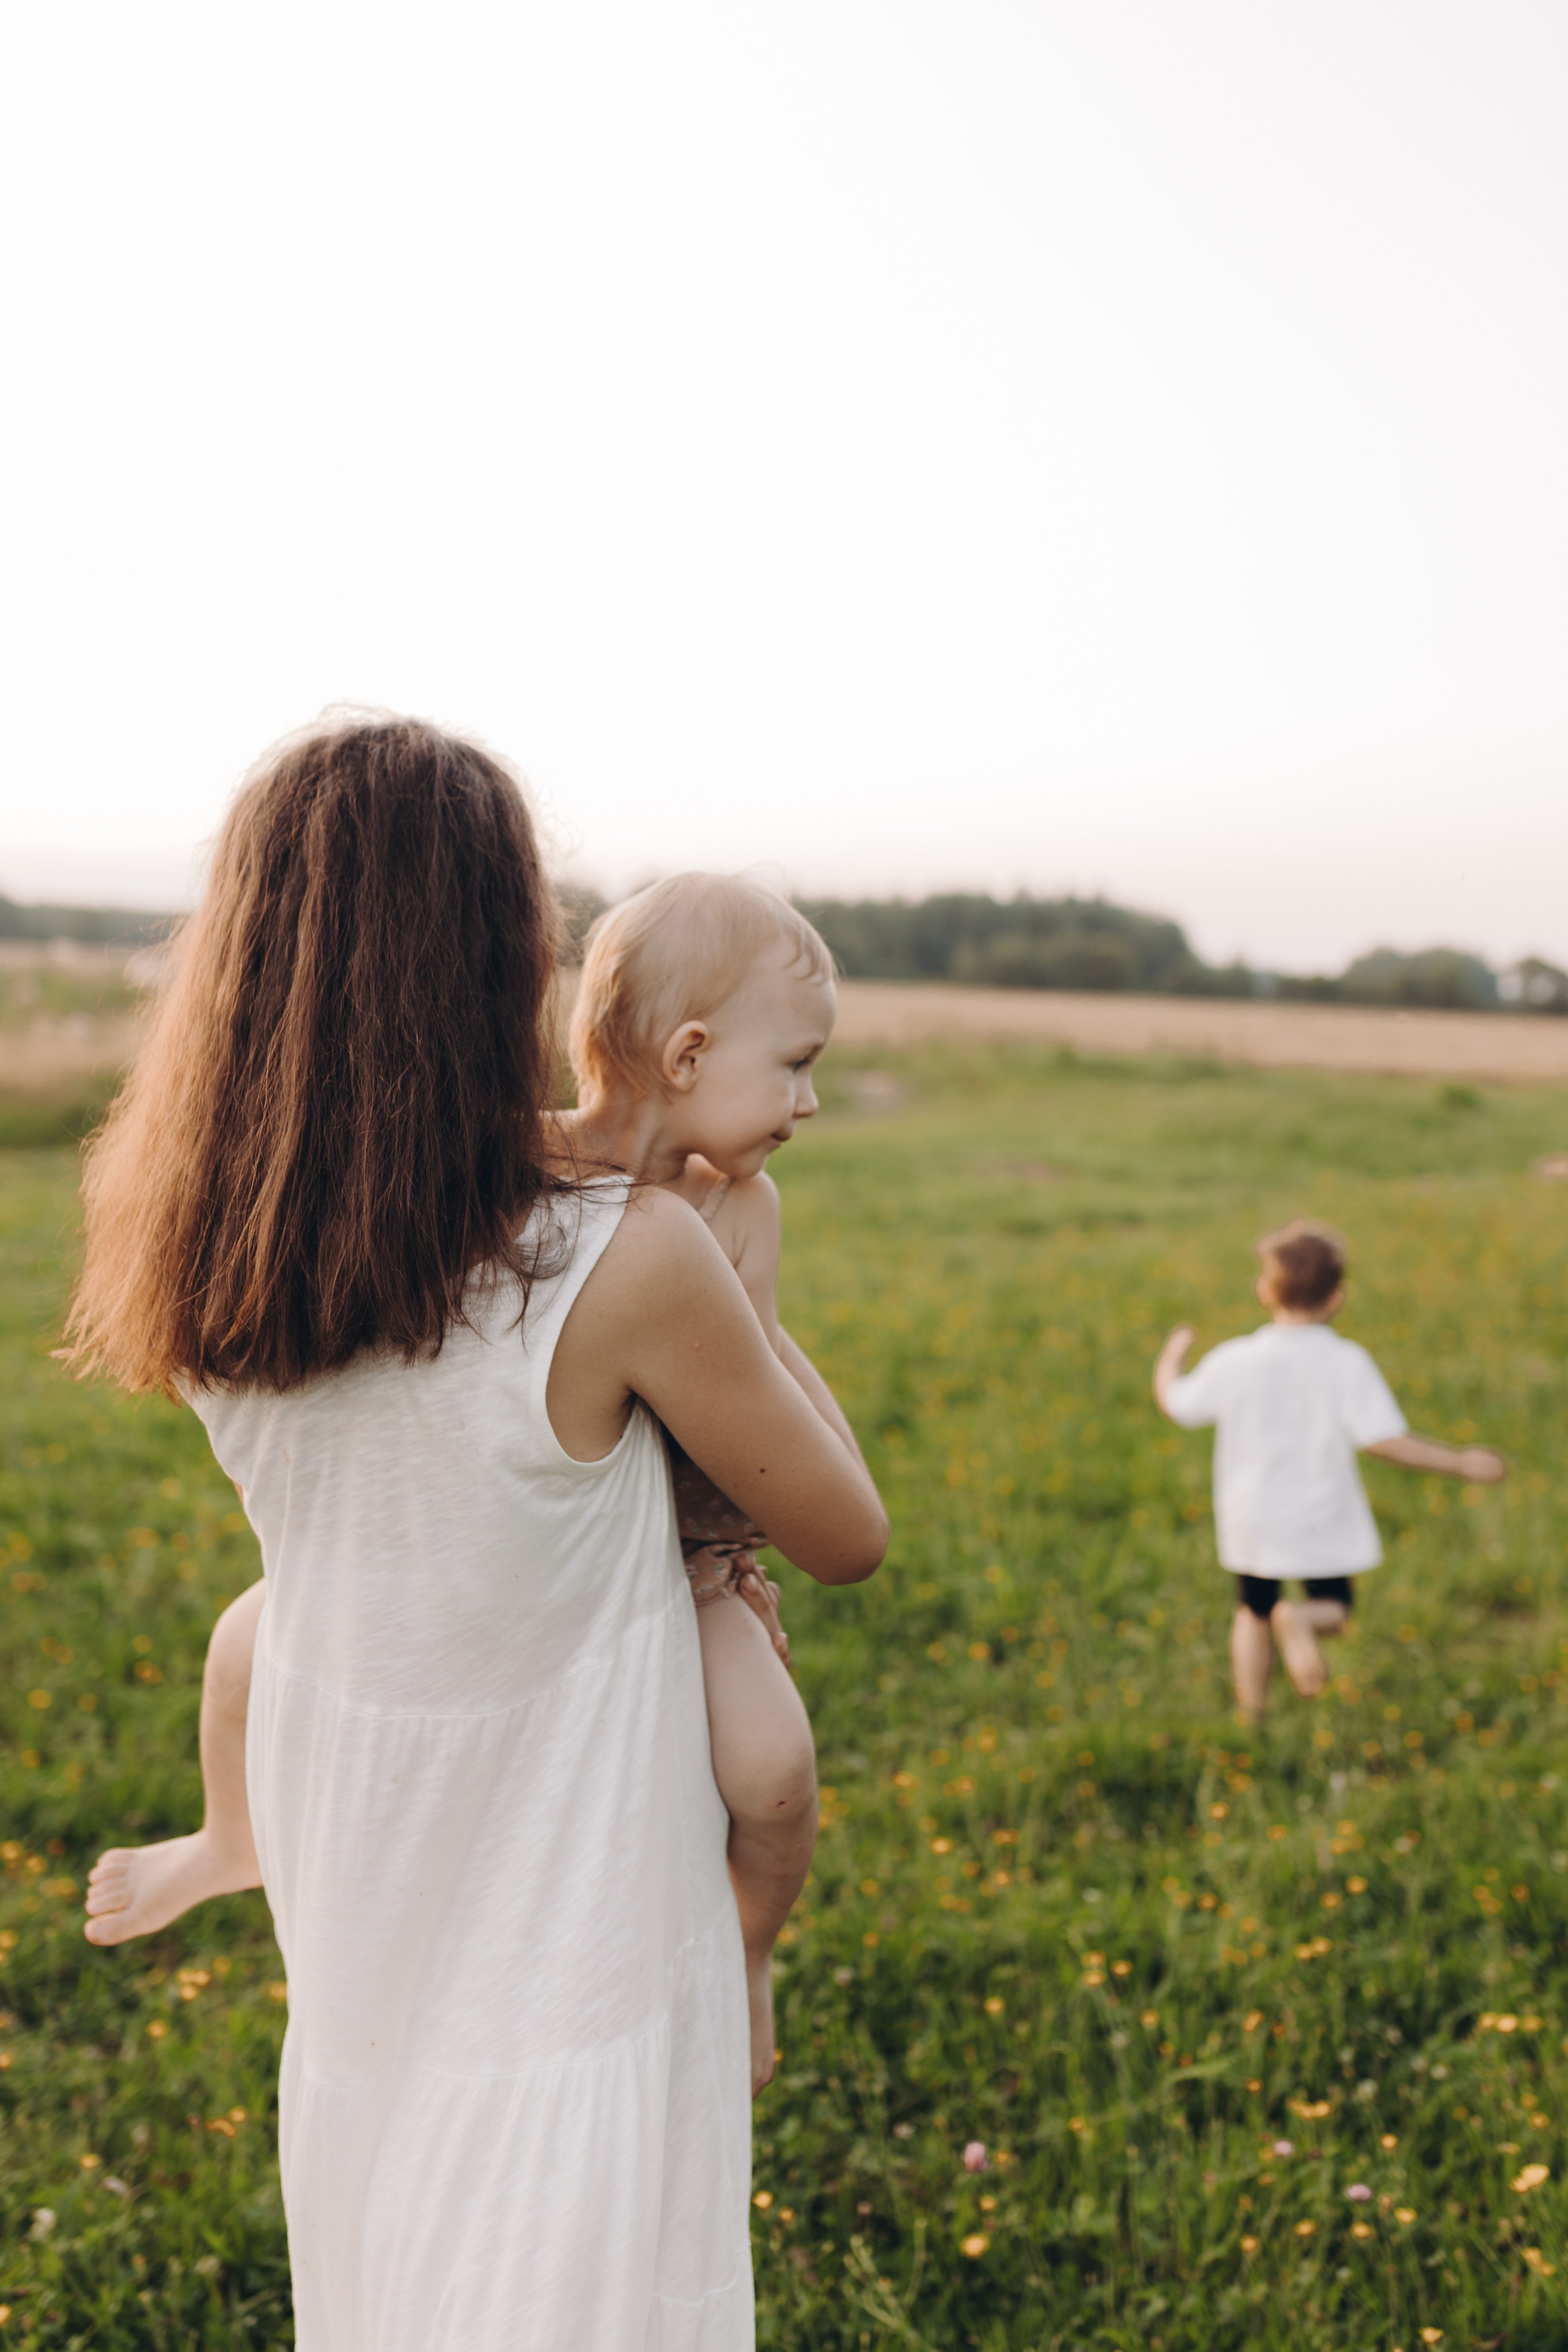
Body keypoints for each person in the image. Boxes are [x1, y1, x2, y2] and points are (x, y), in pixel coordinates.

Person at [66, 714, 887, 2352]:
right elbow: (844, 1532)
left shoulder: (208, 1239)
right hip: (564, 1874)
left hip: (354, 1833)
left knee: (399, 2246)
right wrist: (744, 1283)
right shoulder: (632, 1256)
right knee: (568, 2266)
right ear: (497, 961)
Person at [1152, 1218, 1504, 1719]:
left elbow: (1177, 1405)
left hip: (1254, 1516)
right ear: (1337, 1297)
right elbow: (1383, 1439)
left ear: (1265, 1291)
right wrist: (1459, 1461)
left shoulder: (1237, 1359)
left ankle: (1251, 1712)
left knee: (1252, 1611)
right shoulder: (1346, 1362)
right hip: (1320, 1512)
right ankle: (1300, 1620)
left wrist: (1172, 1356)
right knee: (1336, 1611)